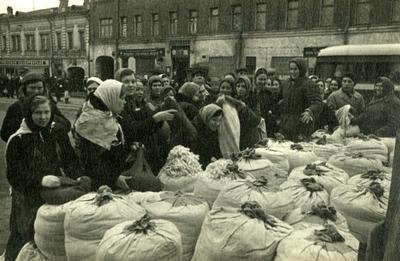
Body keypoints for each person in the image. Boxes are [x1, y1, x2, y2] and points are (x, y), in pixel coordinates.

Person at [5, 95, 81, 261]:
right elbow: (14, 175)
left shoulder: (54, 133)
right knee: (24, 238)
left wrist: (78, 176)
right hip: (27, 199)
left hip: (53, 196)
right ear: (28, 114)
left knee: (48, 240)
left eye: (47, 112)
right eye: (38, 113)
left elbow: (69, 159)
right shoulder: (18, 140)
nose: (43, 117)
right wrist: (39, 180)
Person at [74, 79, 132, 190]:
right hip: (100, 185)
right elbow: (93, 163)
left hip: (113, 179)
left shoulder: (107, 115)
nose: (125, 102)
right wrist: (114, 178)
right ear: (110, 97)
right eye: (122, 98)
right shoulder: (93, 121)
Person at [1, 72, 71, 142]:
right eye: (32, 88)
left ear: (44, 89)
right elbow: (5, 134)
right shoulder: (15, 108)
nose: (36, 91)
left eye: (39, 88)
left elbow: (67, 125)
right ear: (24, 89)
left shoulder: (49, 105)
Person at [280, 58, 323, 141]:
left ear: (301, 69)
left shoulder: (309, 84)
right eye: (291, 69)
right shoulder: (286, 83)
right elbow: (280, 99)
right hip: (287, 124)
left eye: (295, 69)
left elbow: (318, 102)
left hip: (302, 124)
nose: (293, 72)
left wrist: (309, 111)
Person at [217, 78, 261, 150]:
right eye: (238, 86)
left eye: (243, 87)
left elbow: (256, 120)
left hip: (250, 137)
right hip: (236, 135)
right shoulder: (231, 99)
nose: (240, 89)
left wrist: (243, 107)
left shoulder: (254, 99)